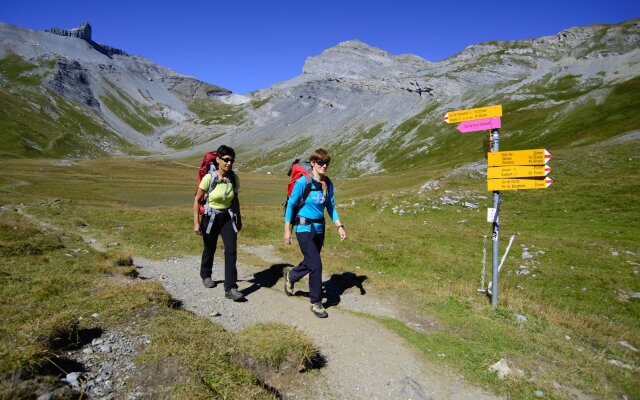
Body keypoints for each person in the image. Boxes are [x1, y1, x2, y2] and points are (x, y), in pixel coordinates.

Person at [283, 149, 347, 318]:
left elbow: (331, 206)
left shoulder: (328, 184)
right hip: (303, 229)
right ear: (312, 163)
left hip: (319, 229)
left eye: (326, 163)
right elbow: (291, 205)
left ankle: (291, 275)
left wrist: (339, 226)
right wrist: (287, 231)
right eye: (320, 162)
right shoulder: (304, 182)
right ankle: (316, 302)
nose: (324, 165)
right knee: (316, 265)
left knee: (311, 262)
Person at [193, 145, 244, 301]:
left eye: (232, 160)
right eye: (226, 160)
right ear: (218, 160)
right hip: (210, 217)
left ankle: (230, 287)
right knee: (210, 247)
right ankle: (206, 275)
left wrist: (239, 217)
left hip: (227, 217)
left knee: (231, 251)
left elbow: (235, 199)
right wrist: (196, 222)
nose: (229, 163)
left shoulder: (234, 178)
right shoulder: (209, 178)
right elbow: (197, 199)